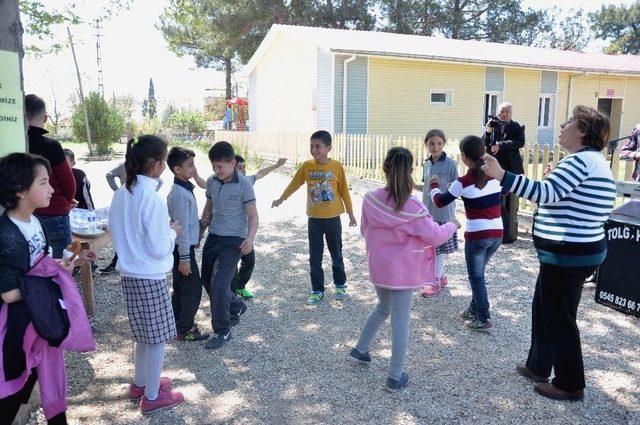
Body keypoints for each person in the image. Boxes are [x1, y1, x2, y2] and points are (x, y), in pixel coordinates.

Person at [481, 105, 616, 401]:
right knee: (543, 307)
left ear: (582, 131)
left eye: (569, 122)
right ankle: (539, 364)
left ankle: (570, 383)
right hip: (572, 253)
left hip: (569, 254)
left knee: (558, 316)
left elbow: (544, 194)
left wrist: (501, 174)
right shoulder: (590, 161)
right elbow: (563, 196)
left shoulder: (579, 162)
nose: (562, 126)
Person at [350, 147, 457, 392]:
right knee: (400, 321)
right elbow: (435, 237)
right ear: (411, 171)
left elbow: (364, 230)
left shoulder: (370, 199)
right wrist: (452, 224)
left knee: (383, 307)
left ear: (384, 168)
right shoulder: (414, 207)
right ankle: (395, 376)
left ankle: (361, 348)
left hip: (378, 266)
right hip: (402, 273)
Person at [0, 153, 96, 424]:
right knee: (14, 385)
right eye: (43, 183)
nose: (52, 189)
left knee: (34, 378)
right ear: (20, 190)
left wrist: (69, 262)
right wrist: (51, 281)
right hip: (17, 327)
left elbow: (40, 264)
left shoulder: (34, 221)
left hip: (39, 317)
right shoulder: (6, 234)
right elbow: (8, 293)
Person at [108, 135, 185, 414]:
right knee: (156, 339)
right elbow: (158, 246)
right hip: (149, 276)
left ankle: (141, 383)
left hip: (130, 273)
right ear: (156, 164)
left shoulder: (122, 193)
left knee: (144, 334)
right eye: (164, 160)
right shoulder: (150, 198)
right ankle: (152, 396)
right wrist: (173, 232)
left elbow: (118, 230)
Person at [272, 131, 357, 305]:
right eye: (312, 146)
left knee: (336, 253)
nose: (314, 150)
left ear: (328, 148)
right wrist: (282, 198)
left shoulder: (337, 167)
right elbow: (294, 183)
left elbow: (344, 191)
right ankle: (317, 289)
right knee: (315, 256)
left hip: (333, 218)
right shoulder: (307, 166)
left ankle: (340, 284)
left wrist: (350, 213)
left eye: (318, 146)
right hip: (314, 219)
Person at [431, 135, 505, 331]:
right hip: (497, 233)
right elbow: (506, 191)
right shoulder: (497, 176)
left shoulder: (463, 182)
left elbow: (439, 201)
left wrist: (434, 187)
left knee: (476, 276)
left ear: (464, 157)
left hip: (478, 236)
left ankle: (483, 318)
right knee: (479, 274)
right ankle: (474, 309)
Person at [200, 142, 258, 350]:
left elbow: (252, 215)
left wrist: (249, 239)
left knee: (220, 284)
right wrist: (200, 231)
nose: (217, 171)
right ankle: (236, 304)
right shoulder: (211, 182)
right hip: (214, 237)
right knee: (206, 281)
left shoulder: (244, 184)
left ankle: (222, 330)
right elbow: (208, 209)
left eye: (221, 167)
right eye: (214, 167)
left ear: (233, 163)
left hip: (234, 240)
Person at [25, 94, 76, 258]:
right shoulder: (51, 146)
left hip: (23, 214)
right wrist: (65, 201)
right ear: (45, 117)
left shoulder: (13, 143)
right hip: (53, 215)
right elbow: (69, 185)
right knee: (59, 268)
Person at [166, 147, 209, 342]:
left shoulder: (184, 189)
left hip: (185, 248)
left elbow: (188, 223)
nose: (194, 169)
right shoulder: (179, 194)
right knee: (192, 289)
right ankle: (185, 328)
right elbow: (180, 227)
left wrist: (198, 232)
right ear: (177, 169)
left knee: (183, 288)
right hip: (181, 251)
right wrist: (184, 257)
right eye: (190, 165)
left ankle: (177, 324)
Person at [231, 155, 287, 299]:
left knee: (249, 261)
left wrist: (276, 165)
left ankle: (240, 286)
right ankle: (230, 291)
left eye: (244, 167)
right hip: (231, 233)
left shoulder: (248, 181)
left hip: (245, 233)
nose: (243, 170)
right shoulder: (225, 184)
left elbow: (261, 173)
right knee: (231, 263)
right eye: (239, 167)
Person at [413, 129, 459, 298]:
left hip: (443, 212)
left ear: (444, 144)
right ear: (426, 144)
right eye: (431, 143)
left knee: (438, 249)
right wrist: (412, 185)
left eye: (439, 143)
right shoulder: (426, 163)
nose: (435, 146)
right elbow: (426, 187)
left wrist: (443, 191)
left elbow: (457, 187)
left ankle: (435, 282)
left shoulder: (451, 164)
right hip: (427, 211)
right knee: (431, 248)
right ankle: (442, 276)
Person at [483, 102, 525, 244]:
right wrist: (488, 130)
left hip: (511, 168)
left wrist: (500, 145)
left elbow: (520, 142)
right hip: (494, 167)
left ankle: (508, 232)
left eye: (507, 111)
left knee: (509, 202)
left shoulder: (516, 126)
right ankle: (495, 230)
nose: (504, 114)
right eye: (502, 111)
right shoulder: (493, 125)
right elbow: (484, 143)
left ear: (511, 113)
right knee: (495, 199)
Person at [99, 163, 126, 275]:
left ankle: (119, 262)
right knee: (122, 233)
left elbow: (159, 181)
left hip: (128, 201)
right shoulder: (126, 165)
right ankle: (117, 262)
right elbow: (109, 175)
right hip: (124, 201)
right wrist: (118, 190)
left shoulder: (128, 164)